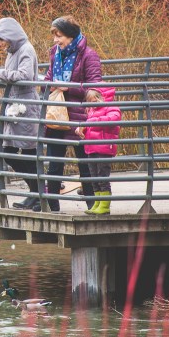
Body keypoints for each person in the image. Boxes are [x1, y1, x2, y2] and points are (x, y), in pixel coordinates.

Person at [43, 16, 102, 211]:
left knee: (84, 164)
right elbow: (49, 76)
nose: (55, 41)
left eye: (58, 36)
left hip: (79, 116)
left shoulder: (88, 55)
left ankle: (91, 205)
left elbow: (95, 87)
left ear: (70, 35)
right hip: (56, 113)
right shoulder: (55, 53)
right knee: (54, 163)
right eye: (54, 37)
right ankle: (51, 208)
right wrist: (49, 85)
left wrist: (68, 88)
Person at [0, 17, 41, 211]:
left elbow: (25, 76)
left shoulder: (26, 50)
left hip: (26, 107)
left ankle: (37, 194)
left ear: (10, 36)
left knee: (29, 151)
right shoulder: (12, 52)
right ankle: (35, 191)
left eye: (1, 39)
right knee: (8, 152)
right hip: (15, 107)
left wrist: (1, 74)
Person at [75, 88, 120, 215]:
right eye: (89, 99)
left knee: (102, 176)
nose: (92, 101)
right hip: (91, 148)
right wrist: (82, 129)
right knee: (94, 176)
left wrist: (89, 122)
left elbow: (113, 119)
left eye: (94, 98)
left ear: (102, 96)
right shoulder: (91, 111)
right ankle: (98, 201)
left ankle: (104, 204)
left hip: (104, 148)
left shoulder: (111, 108)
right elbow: (90, 125)